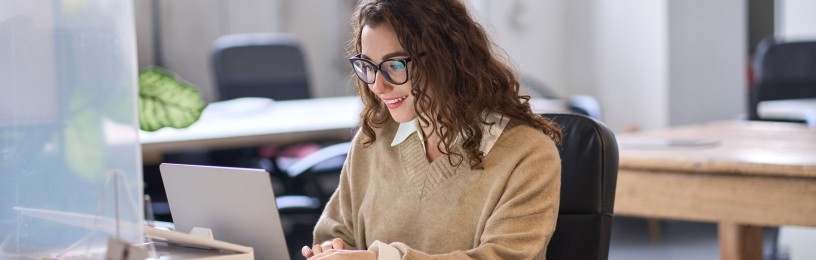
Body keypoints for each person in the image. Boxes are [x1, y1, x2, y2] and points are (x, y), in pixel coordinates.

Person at [302, 0, 563, 259]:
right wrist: (333, 251)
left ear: (447, 58)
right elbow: (334, 233)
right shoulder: (375, 138)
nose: (378, 86)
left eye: (395, 65)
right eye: (368, 66)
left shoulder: (528, 154)